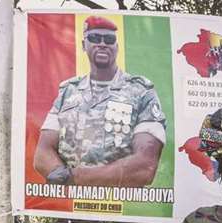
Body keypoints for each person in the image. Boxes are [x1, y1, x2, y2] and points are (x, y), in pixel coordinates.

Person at [34, 16, 166, 187]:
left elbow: (145, 166)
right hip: (72, 207)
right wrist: (60, 173)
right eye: (95, 38)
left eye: (109, 39)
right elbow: (42, 153)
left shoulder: (142, 92)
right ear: (84, 45)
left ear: (117, 47)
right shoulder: (68, 92)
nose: (102, 44)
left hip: (121, 206)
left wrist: (74, 177)